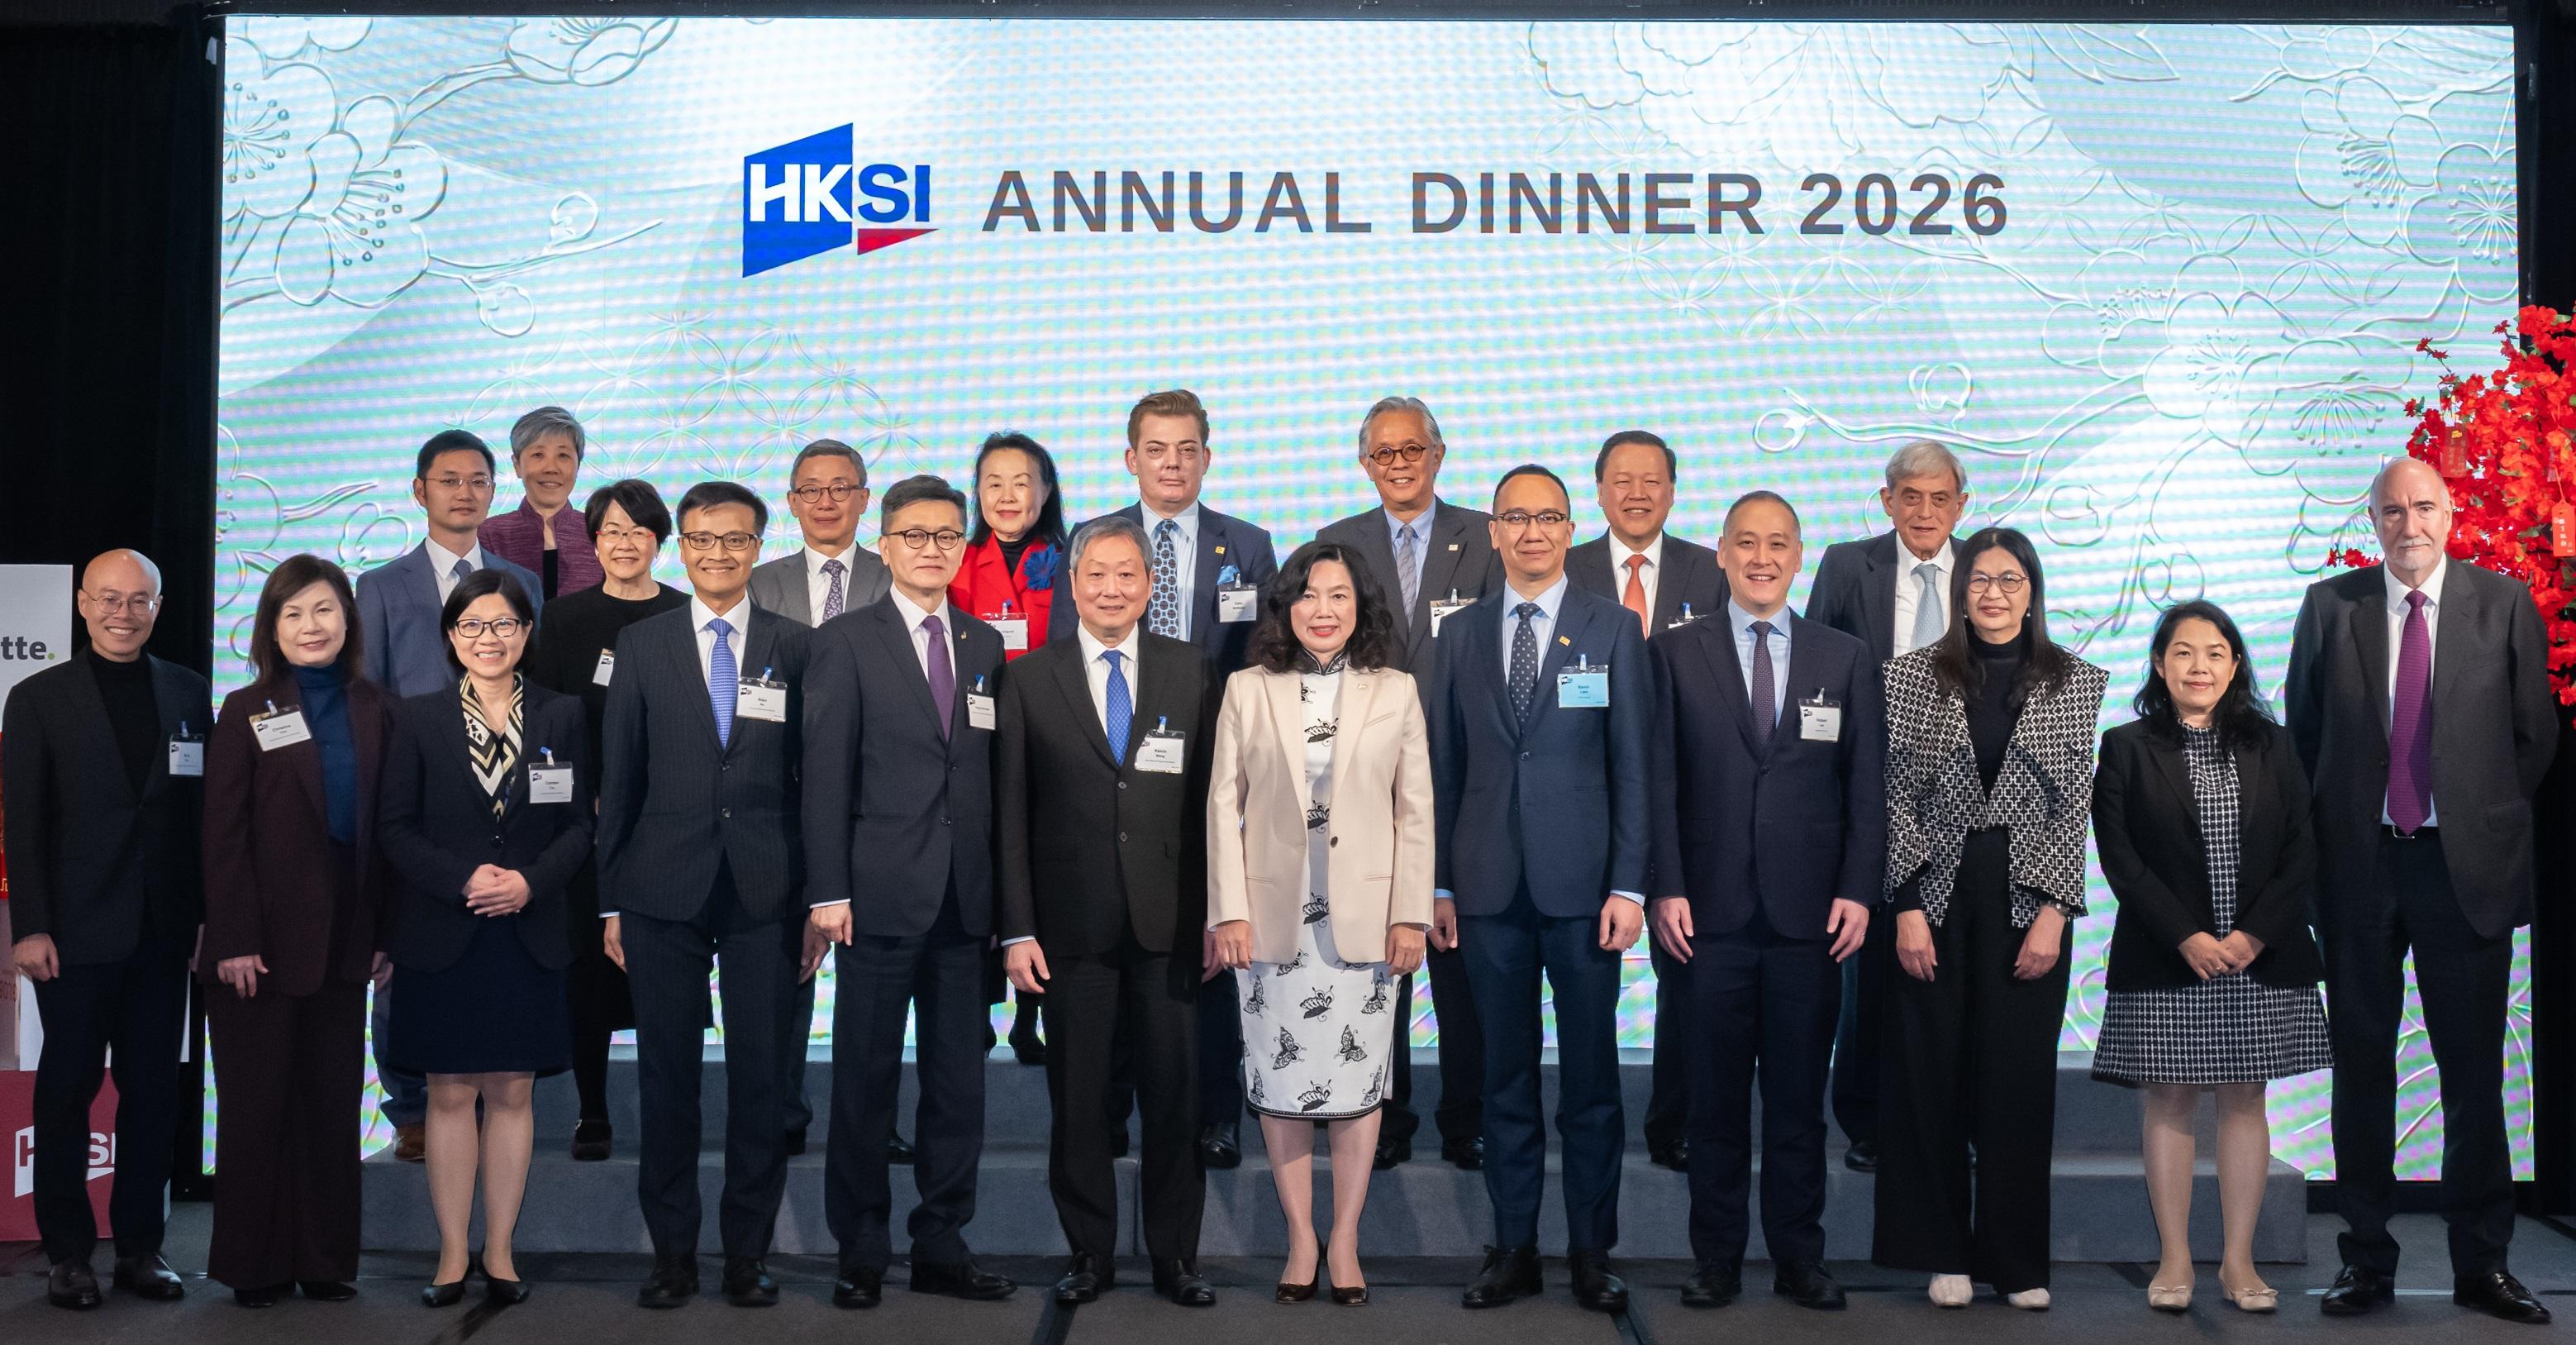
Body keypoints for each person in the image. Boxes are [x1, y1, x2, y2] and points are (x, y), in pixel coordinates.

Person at [2287, 457, 2558, 1324]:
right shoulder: (2332, 608)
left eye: (2425, 507)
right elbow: (2306, 737)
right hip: (2360, 866)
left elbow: (2533, 739)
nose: (2410, 524)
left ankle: (2483, 1264)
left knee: (2473, 1076)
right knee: (2361, 1071)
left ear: (2452, 513)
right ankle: (2366, 1261)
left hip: (2461, 868)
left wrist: (2477, 820)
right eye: (2392, 510)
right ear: (2372, 520)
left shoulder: (2504, 603)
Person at [1648, 492, 1883, 1312]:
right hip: (1703, 917)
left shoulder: (1844, 656)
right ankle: (1715, 1257)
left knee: (1795, 1104)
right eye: (1745, 542)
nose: (1761, 556)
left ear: (1796, 555)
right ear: (1720, 552)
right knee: (1712, 1103)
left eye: (1777, 543)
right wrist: (1665, 886)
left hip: (1808, 920)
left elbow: (1866, 791)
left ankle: (1798, 1257)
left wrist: (1859, 892)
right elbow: (1659, 783)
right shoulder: (1673, 652)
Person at [1429, 464, 1648, 1313]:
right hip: (1486, 890)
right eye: (1514, 518)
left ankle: (1593, 1251)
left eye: (1547, 518)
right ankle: (1512, 1246)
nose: (1530, 532)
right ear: (1493, 531)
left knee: (1591, 1082)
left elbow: (1634, 766)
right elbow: (1443, 770)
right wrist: (1439, 884)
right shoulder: (1460, 635)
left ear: (1568, 529)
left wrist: (1629, 884)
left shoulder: (1614, 627)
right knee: (1505, 1080)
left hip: (1585, 891)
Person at [1874, 526, 2107, 1310]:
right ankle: (1939, 1249)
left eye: (2010, 578)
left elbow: (2071, 807)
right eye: (1979, 578)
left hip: (2024, 895)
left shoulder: (2074, 681)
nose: (1994, 592)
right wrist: (1904, 907)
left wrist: (2055, 913)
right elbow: (1893, 795)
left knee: (2016, 1082)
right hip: (1932, 896)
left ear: (2032, 589)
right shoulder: (1907, 677)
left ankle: (2014, 1258)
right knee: (1928, 1073)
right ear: (1958, 588)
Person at [594, 480, 814, 1309]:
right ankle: (673, 1255)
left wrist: (816, 898)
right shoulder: (642, 644)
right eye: (701, 539)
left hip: (766, 886)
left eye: (735, 539)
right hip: (660, 889)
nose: (717, 553)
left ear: (759, 546)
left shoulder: (797, 645)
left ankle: (747, 1254)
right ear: (679, 548)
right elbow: (621, 779)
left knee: (760, 1079)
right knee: (667, 1077)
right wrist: (612, 901)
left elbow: (812, 781)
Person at [1048, 389, 1281, 1169]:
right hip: (1112, 771)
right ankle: (1109, 1114)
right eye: (1156, 448)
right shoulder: (1091, 542)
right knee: (1113, 939)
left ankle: (1215, 1114)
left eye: (1187, 449)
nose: (1172, 462)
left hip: (1213, 771)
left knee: (1206, 947)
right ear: (1130, 458)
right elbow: (1060, 662)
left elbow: (1262, 661)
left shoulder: (1247, 544)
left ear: (1206, 458)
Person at [802, 475, 1017, 1309]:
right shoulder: (845, 641)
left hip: (965, 903)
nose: (932, 548)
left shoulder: (986, 643)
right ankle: (861, 1247)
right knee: (864, 1079)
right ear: (884, 544)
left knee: (959, 1085)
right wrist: (828, 890)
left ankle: (942, 1241)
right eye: (915, 534)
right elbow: (823, 779)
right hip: (877, 898)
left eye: (946, 535)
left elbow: (986, 776)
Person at [997, 515, 1217, 1308]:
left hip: (1171, 928)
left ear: (1151, 586)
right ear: (1073, 583)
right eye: (1097, 574)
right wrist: (1017, 927)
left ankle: (1175, 1257)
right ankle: (1088, 1253)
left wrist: (1216, 915)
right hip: (1069, 931)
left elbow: (1209, 809)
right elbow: (1010, 817)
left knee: (1174, 1097)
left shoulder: (1192, 671)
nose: (1112, 588)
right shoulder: (1028, 678)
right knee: (1080, 1100)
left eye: (1128, 575)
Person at [1206, 540, 1432, 1305]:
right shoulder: (1247, 687)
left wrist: (1410, 913)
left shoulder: (1396, 689)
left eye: (1338, 595)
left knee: (1359, 1082)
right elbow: (1221, 806)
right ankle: (1300, 1234)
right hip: (1271, 921)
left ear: (1360, 606)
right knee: (1281, 1080)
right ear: (1286, 607)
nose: (1323, 609)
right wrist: (1227, 909)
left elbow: (1415, 811)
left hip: (1365, 922)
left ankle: (1346, 1238)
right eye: (1307, 595)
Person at [2093, 599, 2328, 1315]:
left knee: (2245, 1097)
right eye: (2184, 653)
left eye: (2215, 653)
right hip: (2169, 955)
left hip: (2258, 954)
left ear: (2235, 665)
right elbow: (2120, 857)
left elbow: (2300, 846)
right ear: (2160, 665)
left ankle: (2237, 1259)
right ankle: (2172, 1257)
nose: (2200, 666)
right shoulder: (2127, 745)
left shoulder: (2272, 743)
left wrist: (2252, 934)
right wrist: (2184, 935)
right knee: (2168, 1099)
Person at [377, 570, 590, 1308]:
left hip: (528, 929)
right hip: (444, 928)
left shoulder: (562, 717)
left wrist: (529, 882)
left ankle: (499, 1251)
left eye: (503, 625)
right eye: (472, 625)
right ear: (450, 637)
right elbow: (394, 828)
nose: (488, 638)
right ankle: (448, 1254)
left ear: (526, 635)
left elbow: (581, 826)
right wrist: (464, 878)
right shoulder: (416, 717)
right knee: (447, 1092)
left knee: (511, 1089)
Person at [4, 550, 207, 1309]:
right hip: (75, 935)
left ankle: (139, 1248)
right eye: (109, 599)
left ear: (160, 605)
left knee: (154, 1094)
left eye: (140, 599)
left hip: (163, 933)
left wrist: (203, 919)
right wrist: (30, 927)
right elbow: (22, 825)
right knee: (66, 1091)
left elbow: (197, 824)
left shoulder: (188, 691)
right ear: (83, 604)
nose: (124, 612)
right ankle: (66, 1254)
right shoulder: (36, 697)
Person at [200, 555, 395, 1308]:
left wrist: (383, 931)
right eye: (293, 613)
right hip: (260, 945)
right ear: (270, 628)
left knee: (329, 1102)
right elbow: (223, 834)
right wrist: (234, 937)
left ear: (347, 619)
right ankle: (255, 1265)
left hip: (348, 939)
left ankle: (323, 1260)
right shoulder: (245, 708)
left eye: (323, 610)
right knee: (255, 1107)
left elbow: (387, 831)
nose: (310, 626)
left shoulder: (378, 707)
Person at [1314, 396, 1500, 1171]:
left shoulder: (1484, 541)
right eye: (1382, 453)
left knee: (1456, 958)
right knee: (1369, 954)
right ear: (1364, 463)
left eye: (1411, 449)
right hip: (1363, 779)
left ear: (1438, 454)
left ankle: (1467, 1118)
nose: (1398, 463)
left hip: (1461, 772)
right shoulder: (1335, 544)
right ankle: (1380, 1114)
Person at [357, 428, 545, 1157]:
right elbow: (370, 701)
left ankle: (490, 1093)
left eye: (477, 481)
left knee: (492, 955)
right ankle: (408, 1108)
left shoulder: (521, 584)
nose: (464, 493)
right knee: (402, 959)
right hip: (416, 809)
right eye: (448, 480)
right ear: (419, 491)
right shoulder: (379, 586)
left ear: (493, 493)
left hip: (505, 806)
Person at [1805, 437, 1969, 1176]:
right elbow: (1811, 667)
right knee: (1869, 970)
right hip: (1867, 794)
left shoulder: (1987, 569)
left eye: (1940, 498)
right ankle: (1866, 1119)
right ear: (1887, 502)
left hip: (1969, 802)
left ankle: (1950, 1118)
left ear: (1961, 505)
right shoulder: (1848, 565)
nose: (1925, 511)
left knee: (1955, 968)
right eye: (1911, 497)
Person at [1567, 428, 1728, 1173]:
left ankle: (1679, 1122)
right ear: (1597, 490)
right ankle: (1582, 1123)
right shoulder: (1560, 569)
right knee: (1582, 979)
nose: (1636, 492)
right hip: (1582, 801)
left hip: (1692, 806)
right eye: (1621, 479)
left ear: (1672, 491)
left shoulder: (1712, 570)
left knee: (1687, 975)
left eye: (1652, 480)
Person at [523, 479, 688, 1160]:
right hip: (588, 826)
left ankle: (668, 1113)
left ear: (659, 540)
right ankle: (592, 1110)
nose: (625, 543)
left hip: (670, 823)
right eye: (611, 531)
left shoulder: (684, 612)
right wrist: (579, 799)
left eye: (639, 530)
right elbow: (546, 723)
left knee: (664, 972)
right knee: (590, 971)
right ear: (593, 541)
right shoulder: (561, 619)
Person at [745, 436, 896, 1160]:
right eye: (812, 489)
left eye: (842, 487)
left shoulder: (898, 572)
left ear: (866, 499)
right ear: (792, 501)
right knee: (787, 967)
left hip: (875, 802)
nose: (827, 501)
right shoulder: (758, 581)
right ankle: (783, 1108)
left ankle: (874, 1118)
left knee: (873, 982)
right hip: (777, 796)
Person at [949, 430, 1067, 1065]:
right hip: (977, 738)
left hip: (1053, 739)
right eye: (992, 482)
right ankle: (978, 1009)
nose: (1006, 495)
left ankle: (1033, 1014)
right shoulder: (958, 563)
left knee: (1041, 873)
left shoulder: (1077, 561)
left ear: (1045, 491)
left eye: (1021, 481)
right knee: (979, 870)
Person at [478, 406, 603, 599]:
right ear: (517, 465)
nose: (551, 468)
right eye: (538, 455)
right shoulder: (489, 535)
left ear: (578, 465)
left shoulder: (599, 532)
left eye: (563, 456)